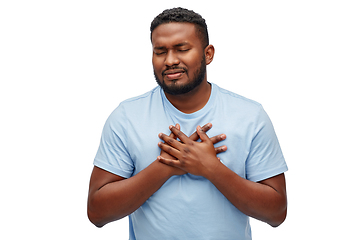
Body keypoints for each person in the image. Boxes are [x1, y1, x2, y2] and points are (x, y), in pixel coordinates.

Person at [87, 7, 288, 240]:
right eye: (160, 51)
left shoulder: (250, 116)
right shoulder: (126, 117)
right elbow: (97, 212)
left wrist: (211, 168)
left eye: (182, 49)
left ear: (208, 54)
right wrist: (168, 165)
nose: (170, 60)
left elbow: (276, 213)